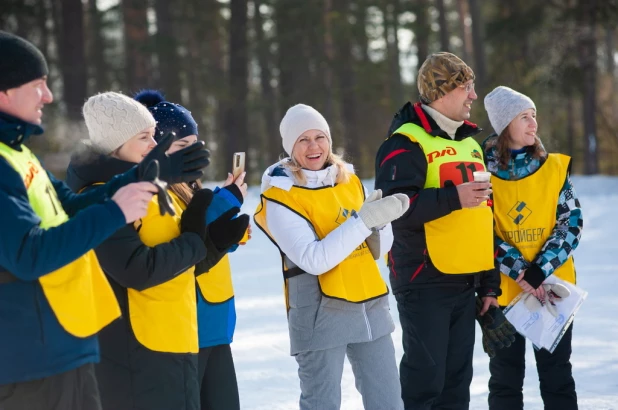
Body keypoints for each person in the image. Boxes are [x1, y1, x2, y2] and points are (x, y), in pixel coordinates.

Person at [0, 32, 209, 410]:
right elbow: (26, 254)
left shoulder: (20, 154)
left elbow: (72, 205)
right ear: (4, 93)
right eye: (38, 85)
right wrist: (116, 211)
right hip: (27, 357)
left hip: (66, 344)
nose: (48, 96)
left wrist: (149, 174)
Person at [65, 91, 247, 410]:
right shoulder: (101, 196)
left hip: (176, 339)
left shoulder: (151, 188)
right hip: (136, 352)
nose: (154, 144)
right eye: (145, 137)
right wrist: (195, 238)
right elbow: (139, 270)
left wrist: (213, 244)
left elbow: (176, 264)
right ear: (115, 143)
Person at [254, 104, 409, 410]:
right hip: (319, 314)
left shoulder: (348, 181)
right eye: (303, 140)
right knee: (322, 404)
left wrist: (379, 223)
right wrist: (363, 222)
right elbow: (314, 259)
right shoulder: (280, 195)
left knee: (389, 402)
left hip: (369, 306)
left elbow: (380, 248)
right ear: (290, 146)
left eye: (320, 137)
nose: (314, 146)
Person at [374, 52, 502, 409]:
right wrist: (453, 197)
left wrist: (489, 283)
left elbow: (483, 218)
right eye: (467, 87)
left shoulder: (470, 144)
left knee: (457, 386)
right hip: (423, 280)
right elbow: (395, 211)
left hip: (465, 282)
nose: (473, 96)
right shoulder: (404, 143)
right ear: (442, 91)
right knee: (425, 384)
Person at [135, 90, 249, 410]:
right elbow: (185, 235)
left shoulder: (192, 184)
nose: (193, 151)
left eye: (195, 143)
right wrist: (228, 199)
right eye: (182, 145)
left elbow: (207, 240)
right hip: (189, 321)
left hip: (216, 317)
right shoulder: (157, 190)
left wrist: (231, 235)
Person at [483, 86, 582, 410]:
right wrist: (520, 269)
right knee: (505, 381)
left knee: (557, 378)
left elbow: (571, 224)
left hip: (552, 290)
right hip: (500, 295)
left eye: (534, 116)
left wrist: (539, 269)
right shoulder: (481, 174)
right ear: (505, 124)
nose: (533, 123)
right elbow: (481, 231)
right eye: (524, 117)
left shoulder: (553, 168)